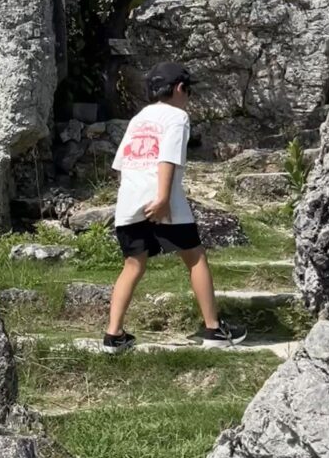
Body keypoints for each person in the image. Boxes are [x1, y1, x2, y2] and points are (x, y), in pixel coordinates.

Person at [102, 63, 247, 354]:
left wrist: (131, 199)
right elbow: (167, 158)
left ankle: (113, 335)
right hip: (162, 201)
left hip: (128, 201)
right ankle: (213, 328)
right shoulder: (178, 117)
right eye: (189, 90)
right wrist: (163, 199)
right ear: (180, 88)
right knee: (195, 257)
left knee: (133, 264)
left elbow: (121, 164)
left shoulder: (139, 118)